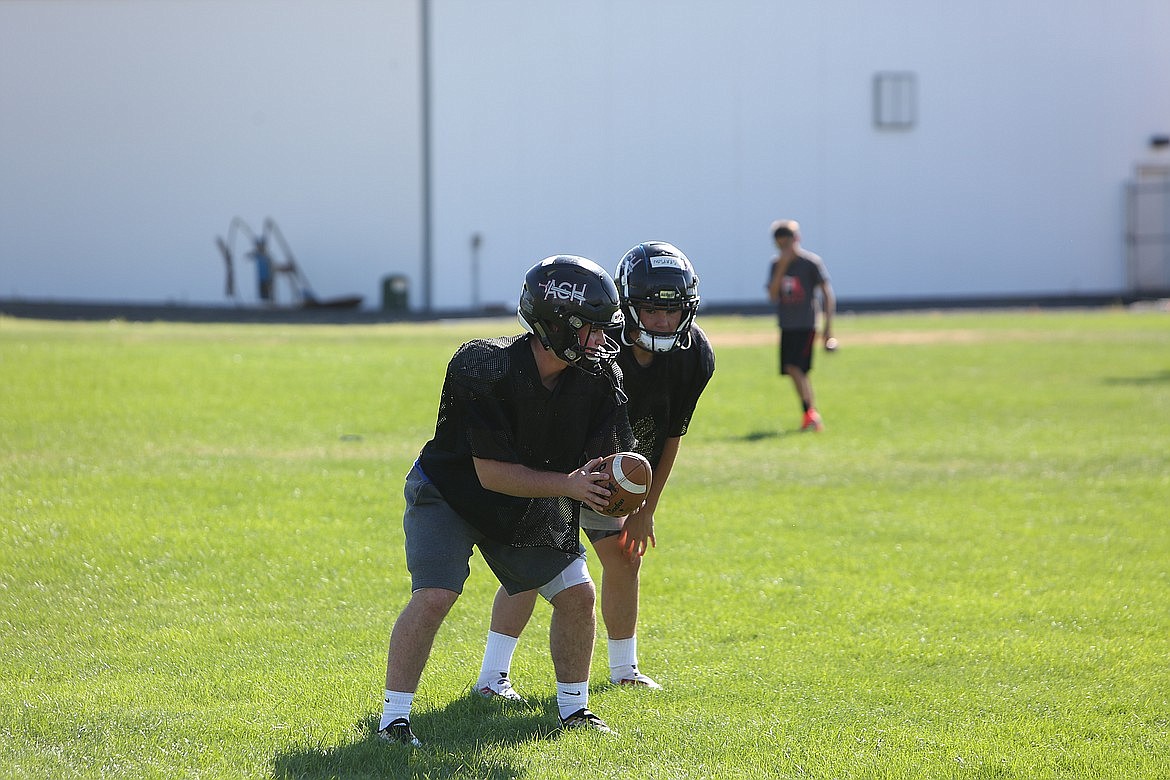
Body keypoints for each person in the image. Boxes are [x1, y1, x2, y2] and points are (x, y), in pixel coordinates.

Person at [378, 255, 634, 746]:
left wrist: (624, 482)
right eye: (592, 329)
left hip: (529, 498)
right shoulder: (483, 364)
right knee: (435, 595)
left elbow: (610, 459)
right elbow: (489, 472)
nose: (602, 342)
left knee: (578, 596)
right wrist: (568, 485)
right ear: (556, 325)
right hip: (450, 494)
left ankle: (574, 710)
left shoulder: (599, 379)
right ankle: (394, 719)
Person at [475, 241, 715, 703]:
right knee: (535, 564)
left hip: (617, 472)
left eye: (673, 311)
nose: (663, 321)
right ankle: (492, 676)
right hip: (557, 464)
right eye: (650, 309)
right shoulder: (594, 344)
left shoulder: (693, 355)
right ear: (627, 306)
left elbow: (671, 434)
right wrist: (560, 483)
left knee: (626, 556)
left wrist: (645, 507)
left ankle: (625, 668)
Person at [766, 219, 836, 432]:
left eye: (787, 243)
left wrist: (828, 328)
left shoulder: (810, 263)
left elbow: (827, 293)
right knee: (791, 368)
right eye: (780, 245)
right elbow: (772, 295)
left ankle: (811, 414)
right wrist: (783, 266)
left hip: (806, 324)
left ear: (797, 239)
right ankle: (808, 413)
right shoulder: (776, 264)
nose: (784, 248)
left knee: (797, 368)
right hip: (787, 325)